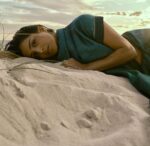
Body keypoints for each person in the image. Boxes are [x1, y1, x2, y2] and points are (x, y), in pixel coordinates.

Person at [5, 14, 150, 99]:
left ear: (41, 28)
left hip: (143, 46)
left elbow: (128, 50)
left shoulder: (82, 23)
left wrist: (87, 67)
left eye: (34, 42)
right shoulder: (60, 60)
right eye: (35, 54)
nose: (40, 51)